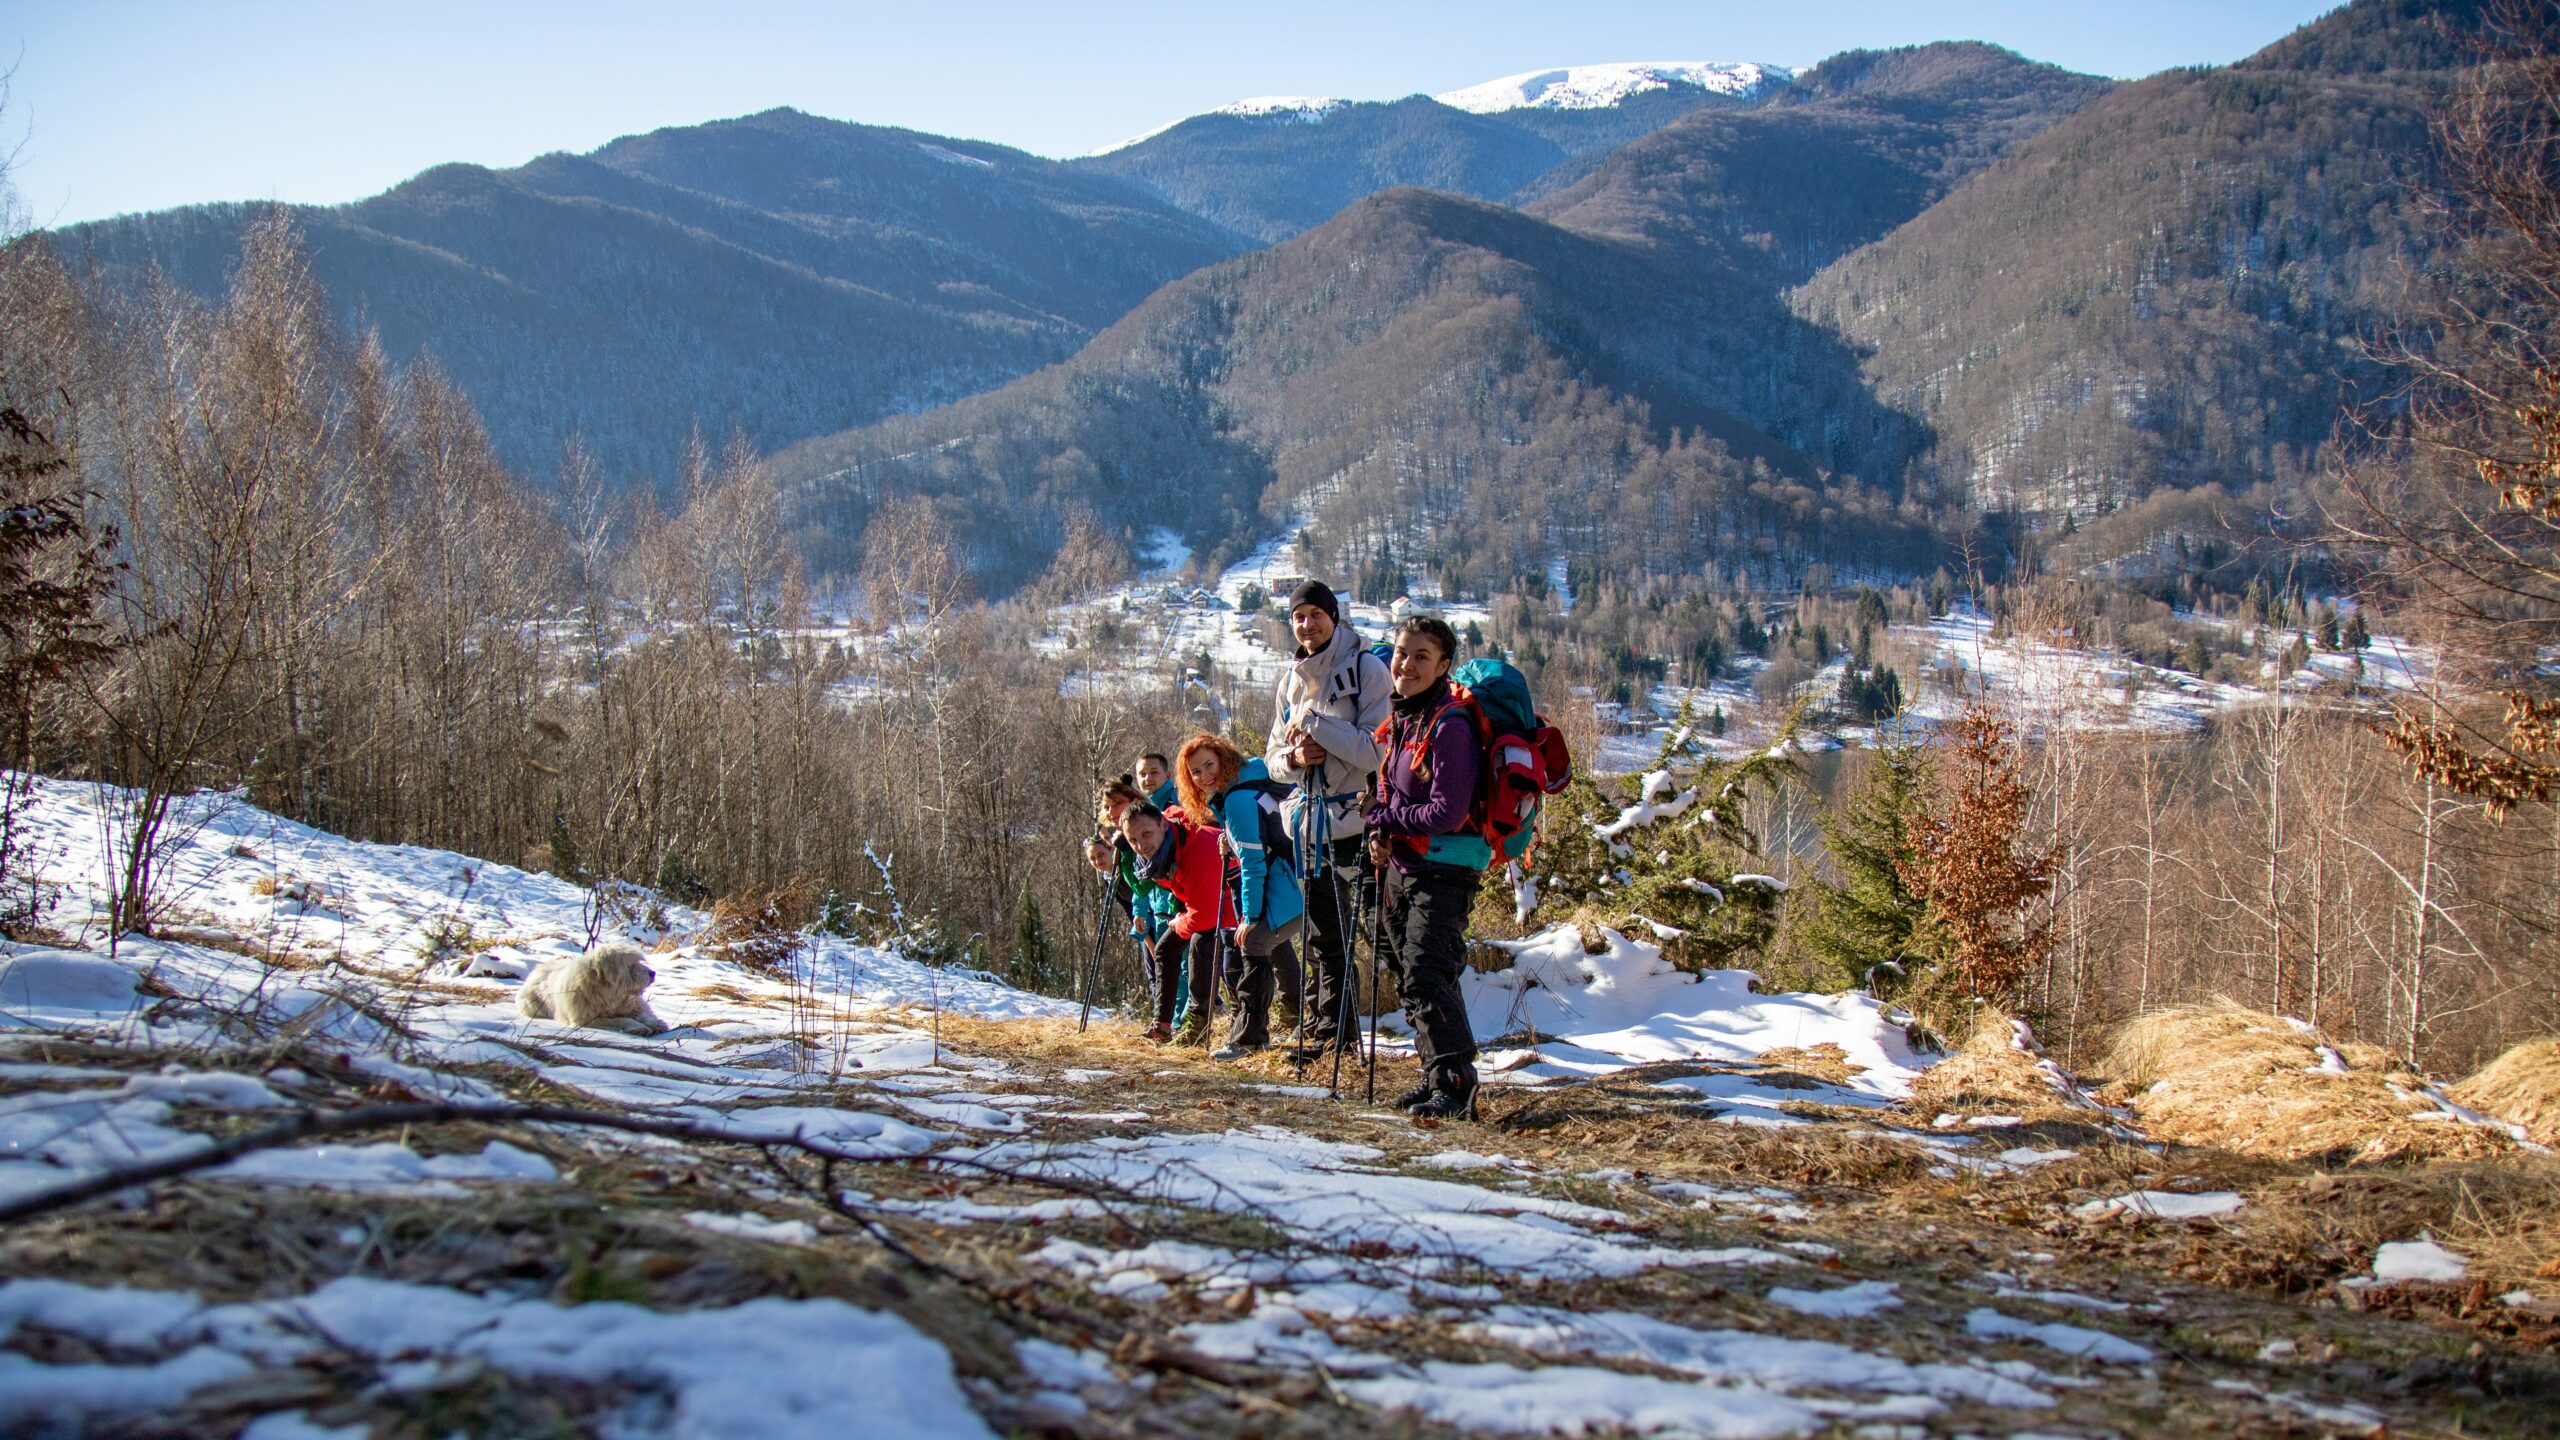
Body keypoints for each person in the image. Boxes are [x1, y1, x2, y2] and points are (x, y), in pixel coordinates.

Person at [1365, 614, 1486, 1120]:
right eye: (1401, 653)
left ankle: (1456, 1089)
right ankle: (1438, 1074)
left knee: (1426, 971)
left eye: (1421, 656)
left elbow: (1447, 811)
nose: (1406, 664)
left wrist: (1385, 817)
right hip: (1406, 864)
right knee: (1409, 968)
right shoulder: (1405, 719)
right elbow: (1392, 796)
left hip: (1446, 865)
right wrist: (1382, 832)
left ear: (1443, 666)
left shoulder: (1449, 724)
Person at [1263, 579, 1389, 1061]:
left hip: (1361, 820)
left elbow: (1374, 750)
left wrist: (1315, 725)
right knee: (1322, 934)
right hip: (1310, 823)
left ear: (1334, 617)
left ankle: (1425, 1040)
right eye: (1298, 616)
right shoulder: (1290, 681)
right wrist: (1296, 757)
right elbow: (1274, 758)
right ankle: (1328, 1033)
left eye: (1316, 614)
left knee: (1384, 936)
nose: (1307, 623)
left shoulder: (1368, 669)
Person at [1175, 732, 1307, 1059]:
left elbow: (1253, 865)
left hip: (1289, 886)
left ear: (1224, 759)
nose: (1204, 775)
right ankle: (1282, 1025)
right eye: (1195, 771)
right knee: (1269, 945)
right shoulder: (1254, 780)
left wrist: (1249, 918)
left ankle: (1250, 1038)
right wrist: (1230, 840)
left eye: (1209, 765)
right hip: (1303, 877)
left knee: (1253, 941)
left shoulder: (1235, 799)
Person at [1119, 798, 1235, 1043]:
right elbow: (1142, 886)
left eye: (1146, 834)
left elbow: (1204, 917)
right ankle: (1162, 1026)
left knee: (1200, 950)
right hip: (1202, 902)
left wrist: (1178, 922)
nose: (1141, 845)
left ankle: (1196, 1029)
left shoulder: (1196, 849)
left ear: (1162, 823)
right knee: (1165, 950)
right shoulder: (1163, 847)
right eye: (1133, 840)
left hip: (1231, 904)